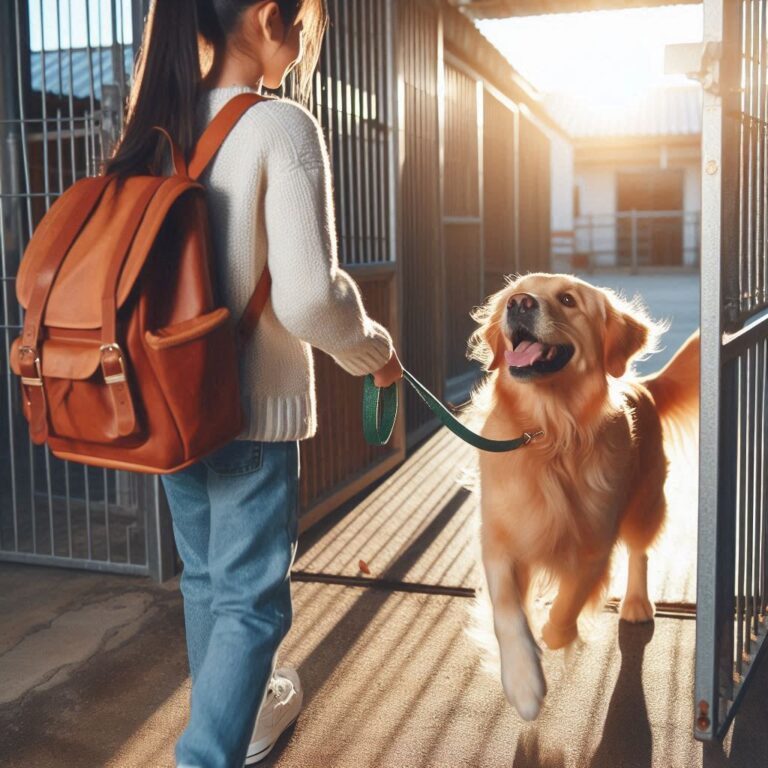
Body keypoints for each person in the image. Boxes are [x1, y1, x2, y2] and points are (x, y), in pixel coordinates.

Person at [106, 1, 403, 766]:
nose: (305, 42)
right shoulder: (280, 127)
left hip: (168, 411)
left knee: (208, 585)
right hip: (249, 416)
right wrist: (374, 352)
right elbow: (307, 297)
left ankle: (246, 727)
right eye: (304, 23)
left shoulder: (154, 132)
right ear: (270, 18)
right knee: (251, 604)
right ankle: (205, 756)